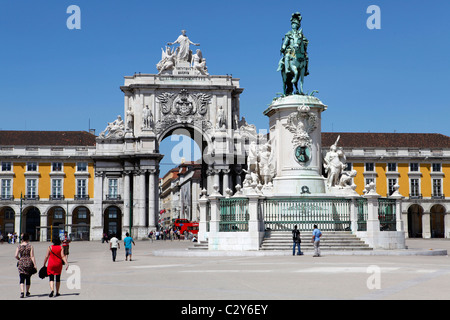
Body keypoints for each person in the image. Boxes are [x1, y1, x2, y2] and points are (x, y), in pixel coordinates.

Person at [14, 233, 37, 298]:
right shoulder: (30, 246)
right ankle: (27, 291)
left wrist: (19, 259)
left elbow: (15, 255)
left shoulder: (19, 246)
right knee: (28, 278)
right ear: (28, 239)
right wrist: (35, 265)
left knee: (21, 278)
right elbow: (32, 256)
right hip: (28, 262)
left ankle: (22, 292)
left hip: (21, 263)